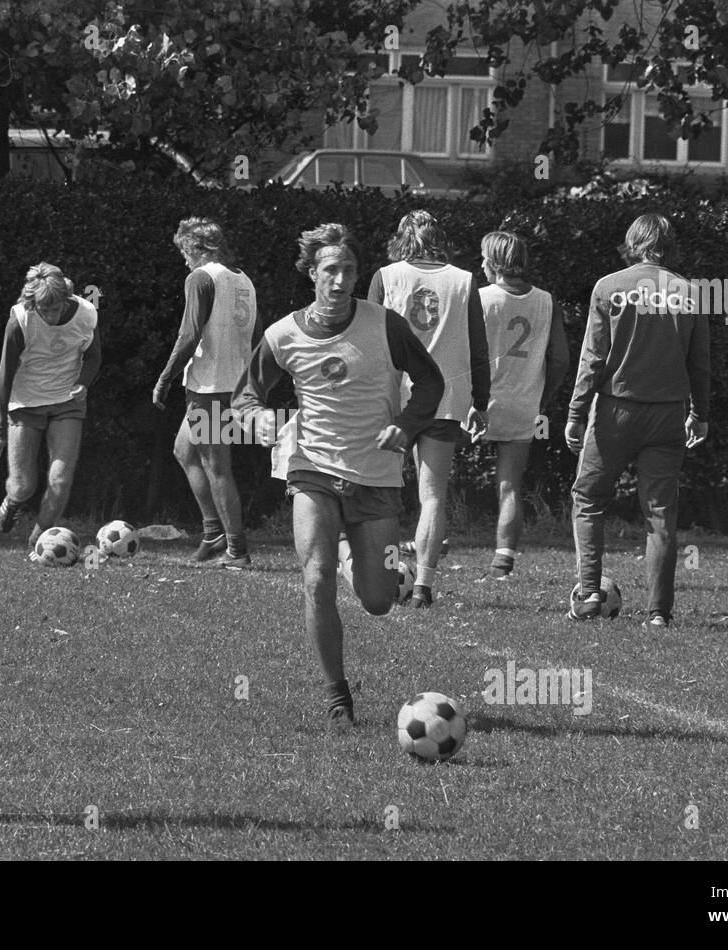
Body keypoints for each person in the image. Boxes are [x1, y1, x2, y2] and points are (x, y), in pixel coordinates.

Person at [234, 223, 443, 730]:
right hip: (312, 470)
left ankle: (350, 553)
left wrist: (407, 425)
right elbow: (245, 397)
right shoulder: (282, 335)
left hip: (376, 476)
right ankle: (337, 699)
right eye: (330, 269)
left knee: (379, 600)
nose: (341, 279)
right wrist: (257, 418)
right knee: (316, 578)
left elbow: (432, 382)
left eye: (349, 269)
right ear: (312, 273)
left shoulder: (386, 325)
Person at [565, 213, 710, 626]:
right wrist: (700, 415)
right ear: (670, 246)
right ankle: (659, 613)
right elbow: (700, 364)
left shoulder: (608, 287)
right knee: (660, 514)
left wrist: (576, 412)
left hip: (616, 410)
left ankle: (589, 594)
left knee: (588, 499)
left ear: (632, 243)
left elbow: (592, 358)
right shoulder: (691, 293)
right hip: (668, 413)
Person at [368, 210, 490, 608]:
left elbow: (365, 339)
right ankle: (423, 586)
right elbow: (479, 348)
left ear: (402, 239)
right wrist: (481, 402)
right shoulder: (465, 280)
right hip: (446, 397)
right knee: (433, 494)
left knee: (382, 490)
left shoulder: (386, 276)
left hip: (395, 397)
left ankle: (383, 572)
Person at [153, 218, 258, 567]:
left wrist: (165, 378)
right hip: (235, 383)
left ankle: (237, 551)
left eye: (185, 252)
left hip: (210, 386)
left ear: (199, 248)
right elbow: (256, 332)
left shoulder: (200, 278)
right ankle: (214, 533)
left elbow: (189, 334)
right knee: (184, 449)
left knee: (217, 468)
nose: (184, 260)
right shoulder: (244, 279)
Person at [0, 263, 101, 557]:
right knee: (23, 486)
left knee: (60, 479)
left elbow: (94, 357)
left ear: (66, 299)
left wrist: (83, 383)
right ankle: (13, 501)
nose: (50, 316)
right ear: (32, 303)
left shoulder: (86, 313)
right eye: (43, 310)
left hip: (67, 401)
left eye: (55, 309)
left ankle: (38, 542)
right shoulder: (20, 320)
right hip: (25, 403)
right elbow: (4, 375)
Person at [477, 230, 569, 579]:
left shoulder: (480, 298)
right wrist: (542, 396)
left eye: (484, 258)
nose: (481, 264)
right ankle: (503, 562)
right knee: (510, 484)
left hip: (478, 400)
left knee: (436, 477)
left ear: (494, 262)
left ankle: (433, 543)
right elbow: (560, 359)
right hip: (524, 403)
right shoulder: (546, 301)